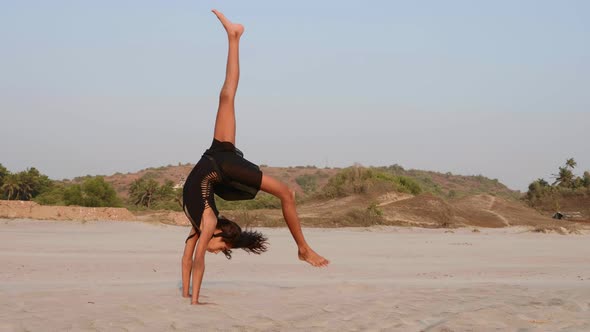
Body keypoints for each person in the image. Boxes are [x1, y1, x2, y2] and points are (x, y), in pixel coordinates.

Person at [181, 9, 330, 305]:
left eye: (223, 249)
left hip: (218, 160)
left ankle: (233, 37)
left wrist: (192, 297)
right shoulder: (205, 224)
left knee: (227, 96)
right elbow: (193, 260)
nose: (220, 251)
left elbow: (193, 260)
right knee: (227, 96)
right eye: (226, 249)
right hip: (220, 164)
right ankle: (234, 36)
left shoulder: (204, 226)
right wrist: (190, 298)